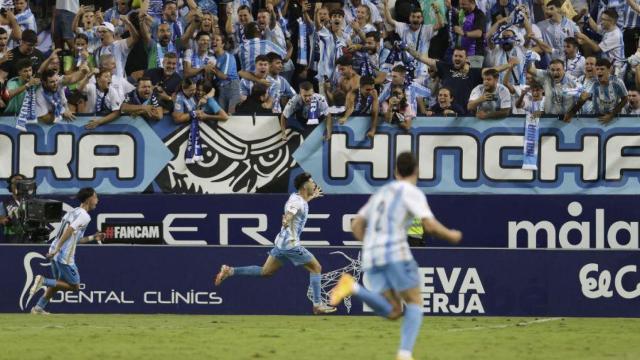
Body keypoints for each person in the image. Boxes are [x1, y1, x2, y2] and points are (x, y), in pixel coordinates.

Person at [329, 152, 462, 360]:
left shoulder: (380, 193)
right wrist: (451, 235)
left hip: (371, 255)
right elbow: (429, 225)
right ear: (416, 170)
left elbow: (356, 224)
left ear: (395, 171)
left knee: (393, 311)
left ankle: (352, 287)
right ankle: (404, 354)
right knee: (415, 300)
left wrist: (372, 245)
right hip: (395, 253)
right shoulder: (412, 191)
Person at [214, 172, 337, 315]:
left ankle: (230, 271)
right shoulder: (297, 202)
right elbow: (291, 212)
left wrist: (311, 197)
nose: (314, 184)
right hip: (291, 245)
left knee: (265, 272)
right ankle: (318, 305)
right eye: (311, 181)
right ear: (304, 186)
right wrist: (286, 220)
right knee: (316, 268)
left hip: (281, 243)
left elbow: (298, 207)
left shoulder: (296, 197)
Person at [28, 187, 105, 314]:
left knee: (58, 283)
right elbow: (69, 230)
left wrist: (93, 237)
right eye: (96, 197)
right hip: (63, 255)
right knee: (75, 286)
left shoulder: (73, 212)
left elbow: (77, 239)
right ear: (89, 198)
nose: (97, 200)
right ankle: (43, 281)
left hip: (55, 251)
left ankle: (38, 308)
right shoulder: (84, 216)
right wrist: (58, 248)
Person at [566, 58, 628, 124]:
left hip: (615, 117)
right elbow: (583, 99)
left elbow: (625, 99)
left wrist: (612, 115)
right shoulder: (593, 83)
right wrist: (571, 113)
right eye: (597, 69)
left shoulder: (617, 82)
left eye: (602, 69)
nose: (599, 71)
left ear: (609, 70)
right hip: (597, 117)